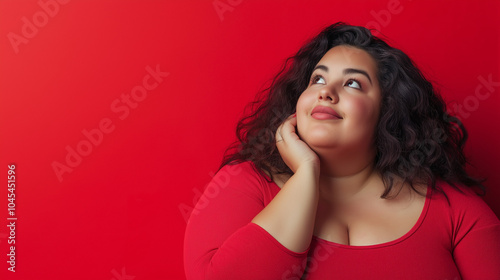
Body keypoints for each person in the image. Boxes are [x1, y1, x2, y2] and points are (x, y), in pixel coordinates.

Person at [183, 22, 500, 279]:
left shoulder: (456, 210)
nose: (326, 93)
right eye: (317, 79)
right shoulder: (244, 183)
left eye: (353, 84)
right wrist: (306, 173)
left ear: (387, 112)